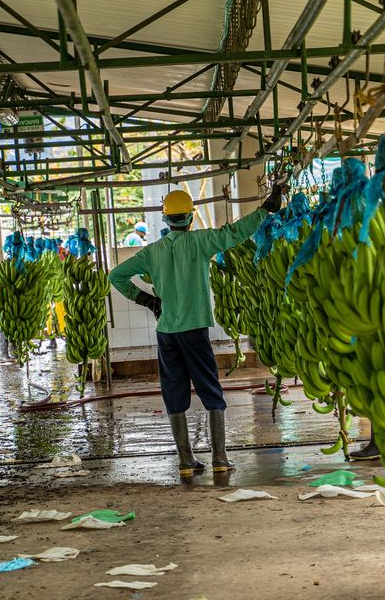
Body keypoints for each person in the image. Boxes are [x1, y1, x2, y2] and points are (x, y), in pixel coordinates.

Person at [109, 186, 284, 478]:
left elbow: (116, 275)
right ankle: (219, 458)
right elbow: (234, 232)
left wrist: (147, 300)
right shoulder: (201, 242)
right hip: (194, 332)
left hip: (166, 333)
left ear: (166, 221)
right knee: (210, 390)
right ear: (190, 218)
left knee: (174, 392)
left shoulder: (152, 252)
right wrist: (265, 210)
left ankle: (186, 461)